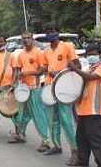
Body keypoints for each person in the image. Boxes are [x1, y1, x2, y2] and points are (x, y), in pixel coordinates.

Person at [68, 43, 101, 167]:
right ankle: (82, 162)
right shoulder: (87, 68)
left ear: (100, 55)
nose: (91, 56)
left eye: (94, 54)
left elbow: (90, 78)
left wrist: (75, 69)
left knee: (97, 141)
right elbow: (80, 86)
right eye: (89, 54)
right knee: (82, 141)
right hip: (82, 111)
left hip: (94, 111)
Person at [42, 28, 79, 165]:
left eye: (53, 35)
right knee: (52, 120)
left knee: (66, 120)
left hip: (64, 89)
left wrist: (59, 72)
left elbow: (76, 65)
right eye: (49, 36)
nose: (52, 39)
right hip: (50, 88)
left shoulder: (67, 46)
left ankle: (75, 151)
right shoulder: (46, 51)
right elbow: (45, 68)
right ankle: (56, 146)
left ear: (57, 35)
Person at [10, 31, 51, 152]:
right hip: (23, 89)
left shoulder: (38, 52)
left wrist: (28, 73)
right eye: (23, 38)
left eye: (28, 38)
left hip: (35, 88)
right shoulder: (21, 54)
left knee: (38, 115)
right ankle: (20, 134)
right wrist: (14, 84)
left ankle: (46, 141)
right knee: (22, 114)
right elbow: (17, 71)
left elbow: (43, 70)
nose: (25, 40)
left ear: (32, 39)